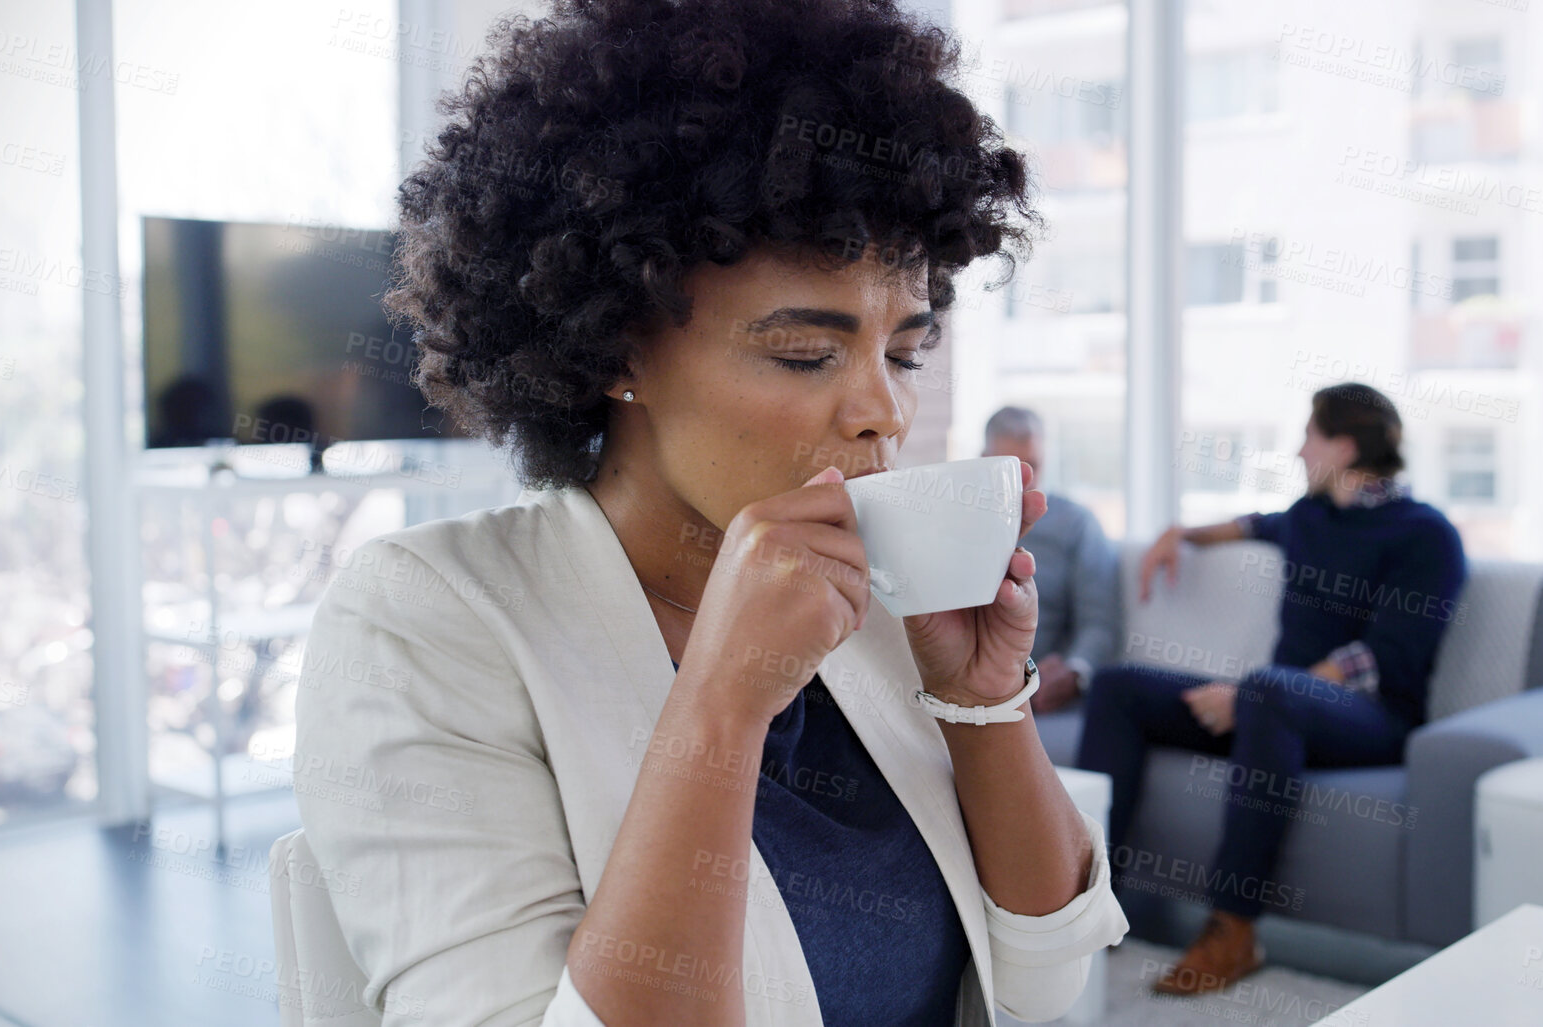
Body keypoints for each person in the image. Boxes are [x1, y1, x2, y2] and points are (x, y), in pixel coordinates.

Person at [290, 2, 1127, 1025]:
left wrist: (984, 701)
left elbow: (1044, 983)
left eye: (905, 351)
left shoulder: (866, 601)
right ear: (617, 350)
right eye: (805, 353)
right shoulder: (424, 621)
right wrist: (724, 702)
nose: (885, 410)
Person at [1075, 382, 1466, 995]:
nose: (1297, 450)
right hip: (1274, 712)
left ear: (1342, 446)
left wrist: (1248, 695)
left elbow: (1385, 657)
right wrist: (1179, 533)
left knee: (1265, 692)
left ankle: (1234, 931)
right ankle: (1089, 908)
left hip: (1372, 719)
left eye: (1308, 436)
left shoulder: (1426, 534)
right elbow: (1251, 524)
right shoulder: (1310, 517)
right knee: (1120, 688)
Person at [979, 406, 1119, 716]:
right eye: (1008, 468)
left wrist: (1074, 671)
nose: (1023, 482)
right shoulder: (957, 521)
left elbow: (1099, 624)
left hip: (1035, 686)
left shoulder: (1077, 524)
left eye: (1034, 467)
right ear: (980, 460)